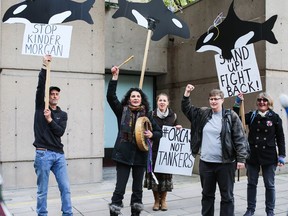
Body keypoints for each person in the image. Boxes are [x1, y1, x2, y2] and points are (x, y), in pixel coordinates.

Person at [181, 84, 248, 216]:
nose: (213, 101)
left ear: (222, 100)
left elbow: (240, 138)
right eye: (211, 99)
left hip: (226, 164)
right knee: (207, 196)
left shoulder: (231, 116)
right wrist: (187, 94)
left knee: (227, 196)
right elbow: (187, 109)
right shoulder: (203, 113)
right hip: (206, 163)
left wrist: (241, 158)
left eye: (216, 99)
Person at [107, 66, 162, 216]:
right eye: (133, 96)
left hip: (140, 157)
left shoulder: (148, 115)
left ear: (142, 99)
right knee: (120, 189)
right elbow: (111, 97)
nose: (135, 98)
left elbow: (159, 132)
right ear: (129, 99)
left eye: (138, 96)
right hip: (123, 156)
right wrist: (114, 78)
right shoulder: (122, 111)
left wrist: (151, 134)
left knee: (138, 191)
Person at [233, 92, 286, 216]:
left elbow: (280, 137)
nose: (262, 102)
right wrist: (237, 103)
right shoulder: (252, 115)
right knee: (251, 184)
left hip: (269, 156)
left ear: (269, 103)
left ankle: (270, 211)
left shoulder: (275, 117)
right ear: (257, 102)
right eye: (260, 100)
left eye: (265, 100)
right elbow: (235, 118)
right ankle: (250, 209)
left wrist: (282, 155)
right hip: (253, 155)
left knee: (270, 185)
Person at [33, 55, 73, 216]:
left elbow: (60, 132)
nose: (54, 96)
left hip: (59, 155)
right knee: (42, 190)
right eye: (52, 94)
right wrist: (45, 66)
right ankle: (42, 214)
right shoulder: (40, 108)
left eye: (57, 94)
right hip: (43, 153)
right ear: (48, 96)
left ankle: (68, 213)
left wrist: (50, 119)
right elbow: (40, 87)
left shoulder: (62, 114)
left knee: (66, 188)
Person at [144, 93, 182, 211]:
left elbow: (176, 131)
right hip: (154, 149)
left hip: (167, 151)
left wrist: (178, 129)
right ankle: (156, 201)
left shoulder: (173, 116)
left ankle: (164, 200)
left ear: (168, 103)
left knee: (165, 177)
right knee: (155, 176)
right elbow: (145, 129)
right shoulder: (150, 115)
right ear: (157, 102)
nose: (162, 102)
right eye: (160, 100)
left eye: (164, 100)